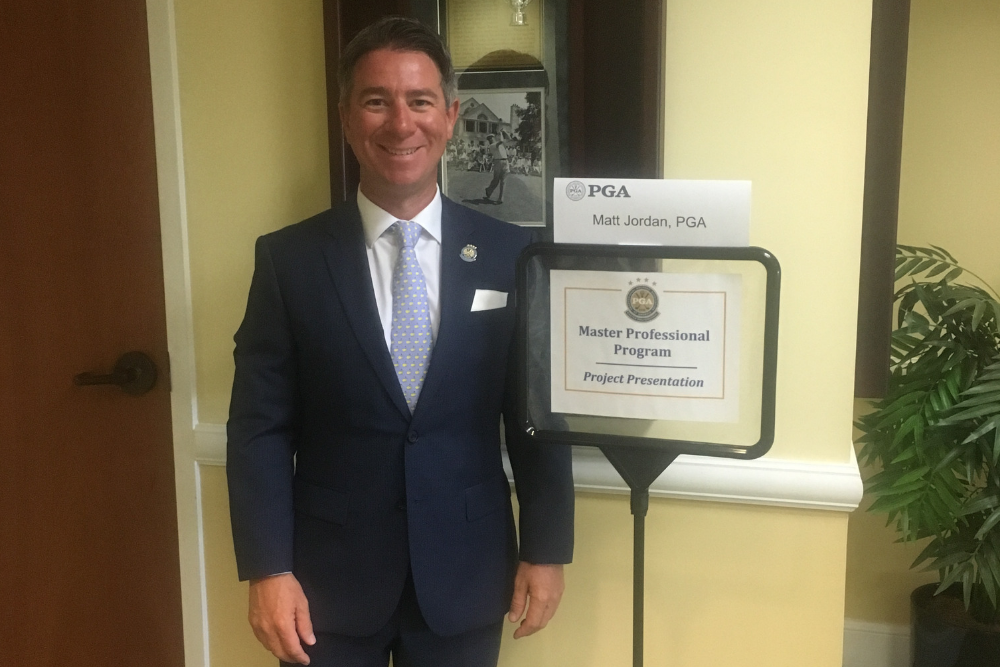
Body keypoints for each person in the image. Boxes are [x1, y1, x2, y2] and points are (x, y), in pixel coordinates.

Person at [226, 16, 574, 667]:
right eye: (376, 100)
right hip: (323, 583)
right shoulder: (289, 260)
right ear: (345, 115)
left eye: (418, 101)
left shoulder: (511, 255)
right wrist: (267, 568)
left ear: (450, 114)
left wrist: (546, 547)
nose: (399, 123)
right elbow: (258, 427)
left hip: (467, 574)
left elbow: (535, 417)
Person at [484, 131, 510, 204]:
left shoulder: (500, 144)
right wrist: (501, 132)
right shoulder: (492, 145)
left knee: (503, 181)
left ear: (494, 138)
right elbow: (501, 140)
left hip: (505, 161)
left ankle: (500, 199)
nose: (491, 140)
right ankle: (489, 190)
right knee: (496, 180)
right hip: (498, 162)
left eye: (492, 138)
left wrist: (504, 132)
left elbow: (509, 138)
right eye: (490, 139)